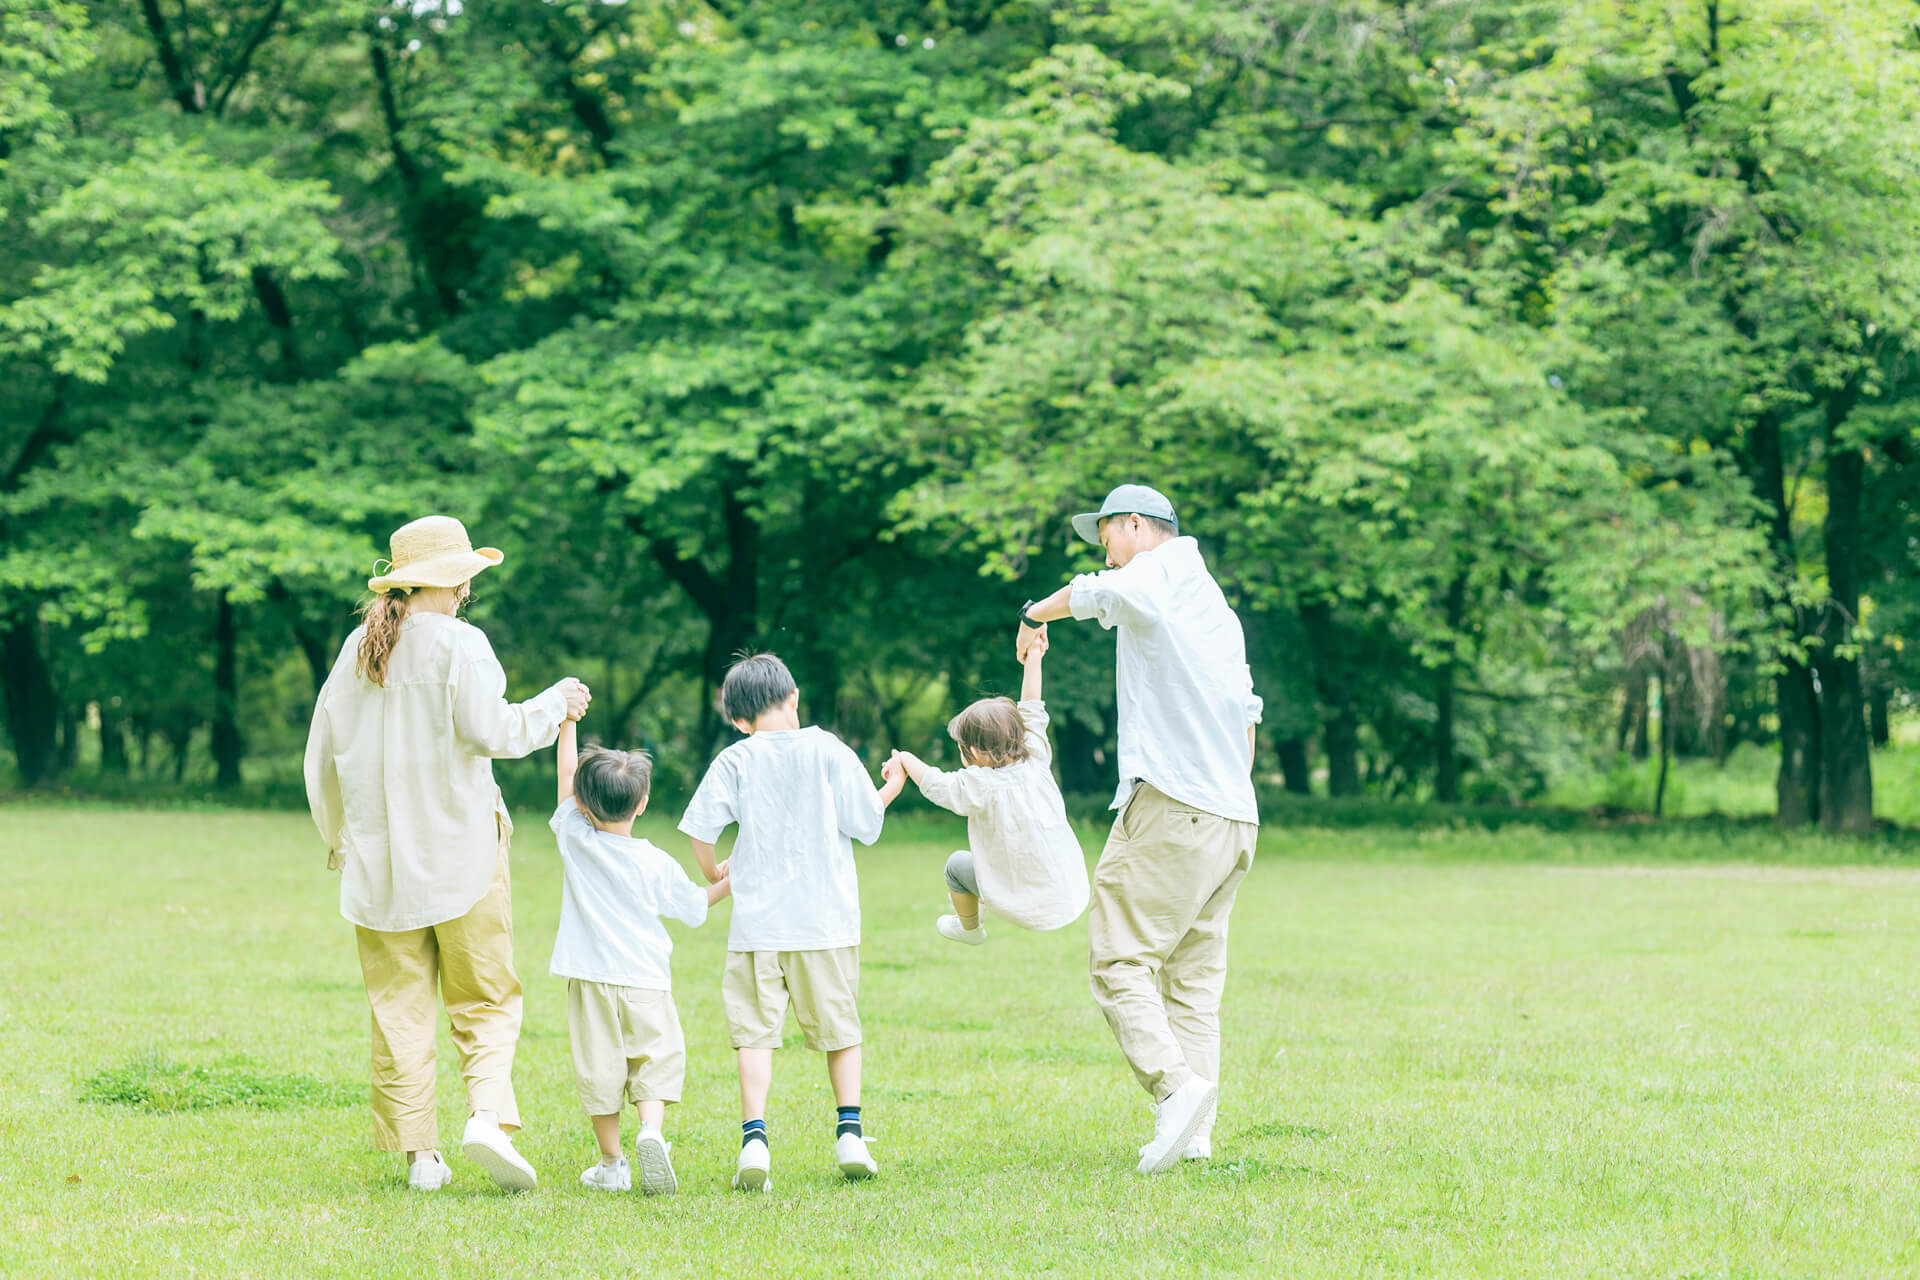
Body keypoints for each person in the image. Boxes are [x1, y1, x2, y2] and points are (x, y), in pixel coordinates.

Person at [304, 514, 591, 1192]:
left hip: (378, 868)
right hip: (463, 855)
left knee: (397, 1007)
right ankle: (486, 1119)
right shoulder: (463, 645)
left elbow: (321, 760)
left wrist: (337, 838)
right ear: (459, 579)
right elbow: (492, 730)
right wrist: (556, 705)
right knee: (486, 999)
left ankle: (421, 1158)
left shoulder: (356, 650)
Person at [1017, 484, 1262, 1175]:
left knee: (1119, 958)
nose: (1104, 553)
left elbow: (1100, 594)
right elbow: (1248, 715)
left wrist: (1034, 614)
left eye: (1106, 537)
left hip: (1174, 807)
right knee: (1192, 980)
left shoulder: (1159, 569)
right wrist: (1225, 789)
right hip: (1233, 818)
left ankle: (1175, 1089)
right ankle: (1198, 1130)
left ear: (1133, 525)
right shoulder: (1218, 608)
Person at [678, 653, 906, 1191]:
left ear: (738, 719)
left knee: (754, 1036)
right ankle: (849, 1132)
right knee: (839, 1031)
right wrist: (893, 783)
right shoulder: (829, 749)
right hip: (824, 922)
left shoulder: (735, 760)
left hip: (757, 925)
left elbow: (700, 831)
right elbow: (866, 823)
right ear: (794, 696)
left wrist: (716, 872)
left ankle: (754, 1141)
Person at [550, 717, 730, 1196]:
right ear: (643, 803)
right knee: (653, 1060)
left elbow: (567, 775)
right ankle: (651, 1131)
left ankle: (612, 1166)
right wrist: (728, 882)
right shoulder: (654, 861)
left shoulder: (575, 838)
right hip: (647, 980)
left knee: (600, 1070)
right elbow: (695, 908)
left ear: (581, 805)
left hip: (590, 978)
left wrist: (568, 722)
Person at [884, 623, 1089, 944]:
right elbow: (1033, 705)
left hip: (1021, 900)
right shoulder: (1035, 754)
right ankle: (975, 913)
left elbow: (938, 786)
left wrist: (905, 759)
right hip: (1069, 892)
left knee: (956, 868)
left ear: (975, 751)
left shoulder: (980, 785)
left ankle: (970, 928)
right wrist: (1034, 655)